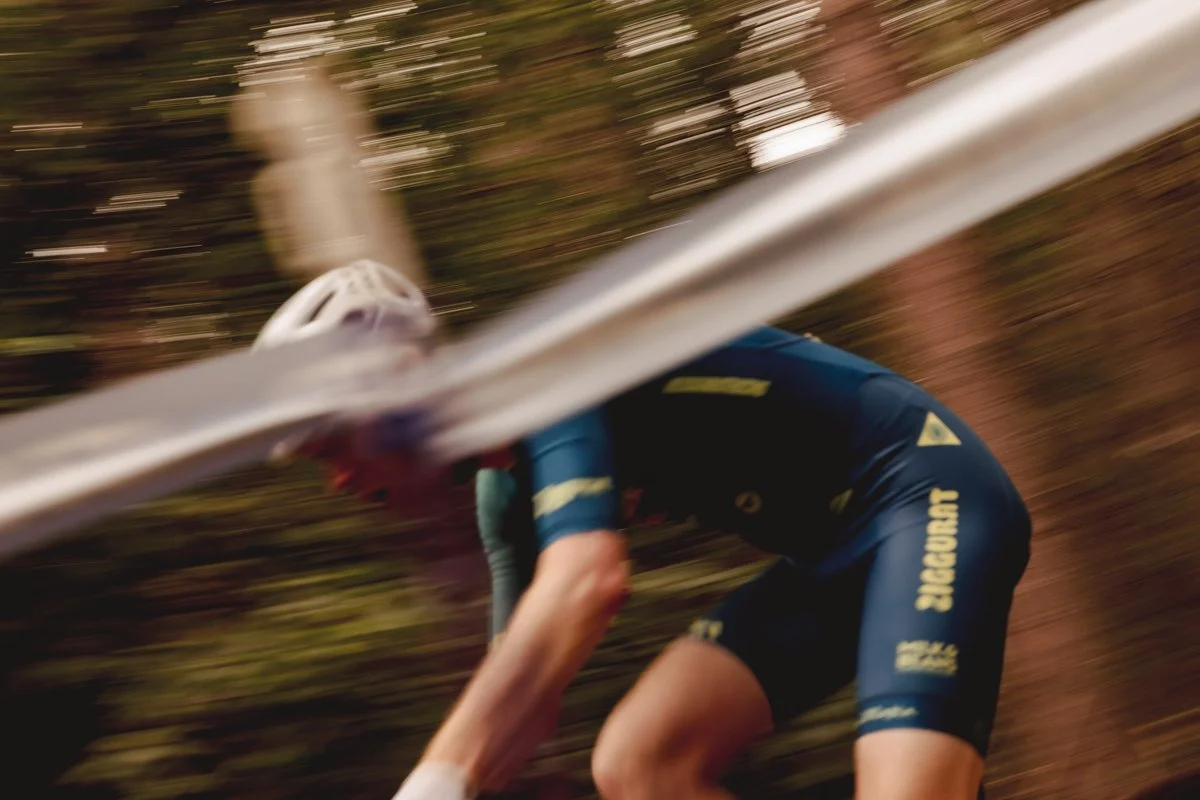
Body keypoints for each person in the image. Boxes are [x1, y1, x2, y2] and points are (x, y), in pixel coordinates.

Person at [259, 260, 1032, 800]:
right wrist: (454, 771)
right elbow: (519, 704)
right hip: (833, 554)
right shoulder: (503, 496)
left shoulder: (540, 374)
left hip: (926, 494)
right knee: (640, 763)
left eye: (332, 446)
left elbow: (587, 580)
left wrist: (437, 776)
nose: (338, 481)